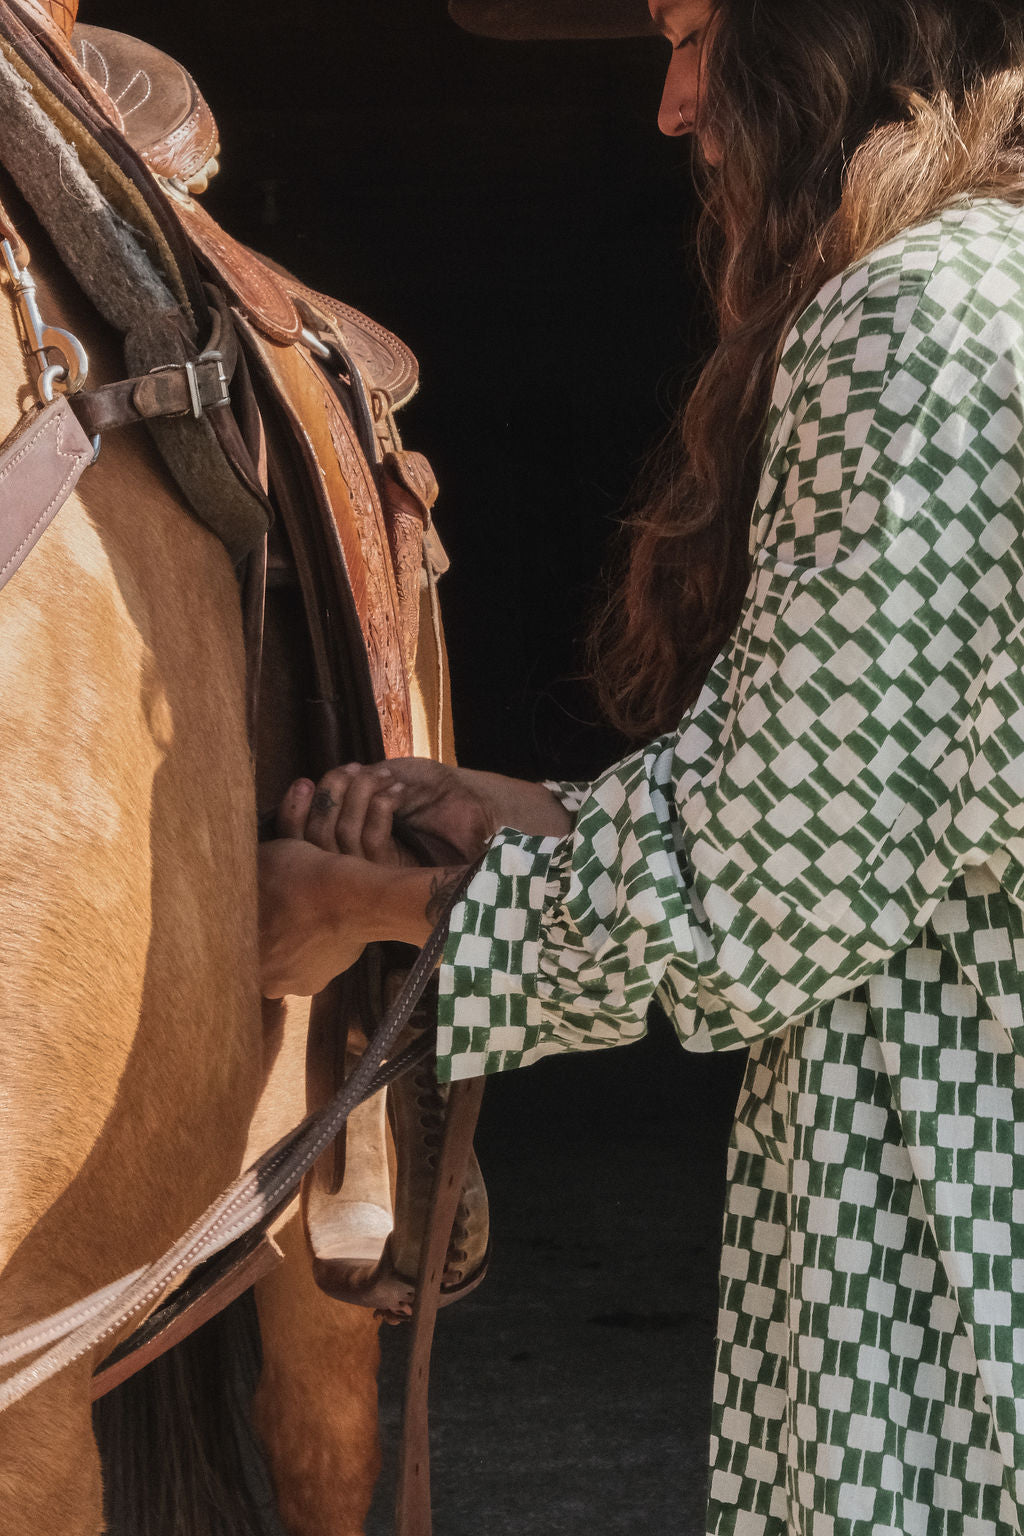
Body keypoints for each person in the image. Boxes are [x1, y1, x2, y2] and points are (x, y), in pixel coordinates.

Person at [259, 0, 1024, 1530]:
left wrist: (356, 910)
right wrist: (519, 813)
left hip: (949, 1279)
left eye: (693, 32)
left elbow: (762, 906)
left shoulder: (923, 331)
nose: (672, 105)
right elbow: (883, 817)